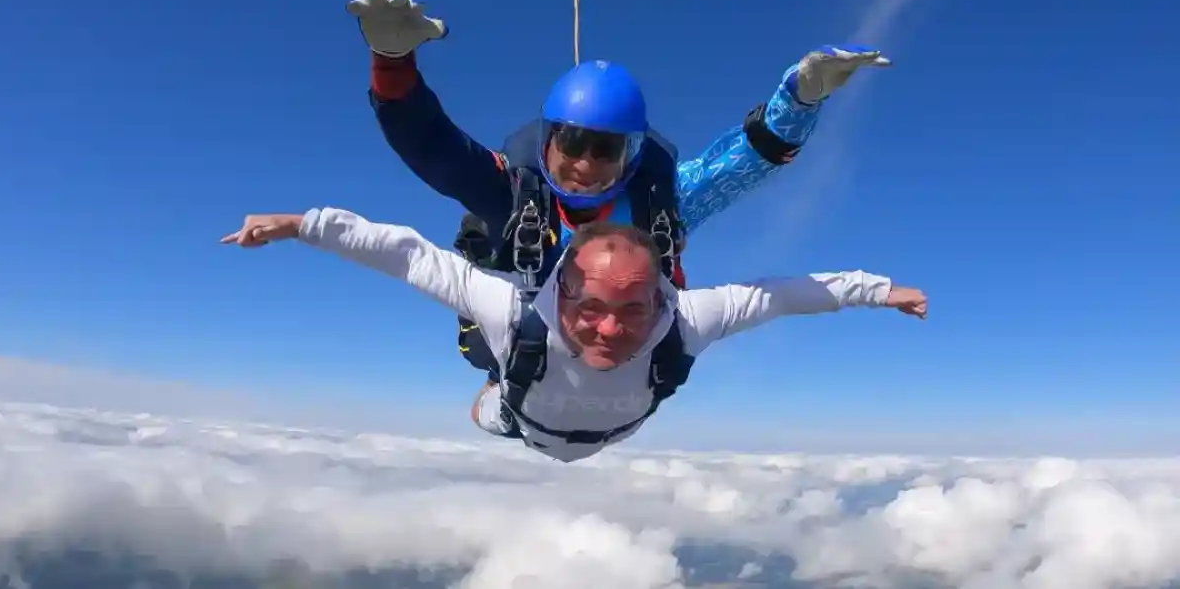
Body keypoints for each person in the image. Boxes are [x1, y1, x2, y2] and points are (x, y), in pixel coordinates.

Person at [347, 0, 892, 416]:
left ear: (633, 156)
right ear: (546, 143)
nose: (584, 165)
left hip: (626, 358)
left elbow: (743, 163)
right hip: (521, 351)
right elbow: (433, 148)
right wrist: (391, 62)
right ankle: (504, 386)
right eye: (571, 145)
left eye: (605, 151)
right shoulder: (515, 196)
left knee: (645, 362)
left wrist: (799, 97)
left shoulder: (658, 203)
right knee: (505, 360)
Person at [221, 209, 928, 463]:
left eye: (634, 310)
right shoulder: (509, 307)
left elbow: (787, 295)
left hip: (603, 431)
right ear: (557, 285)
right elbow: (406, 253)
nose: (610, 328)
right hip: (520, 419)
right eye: (588, 306)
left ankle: (499, 382)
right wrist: (301, 224)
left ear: (664, 298)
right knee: (486, 403)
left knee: (503, 389)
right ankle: (494, 378)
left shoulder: (690, 318)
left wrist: (879, 292)